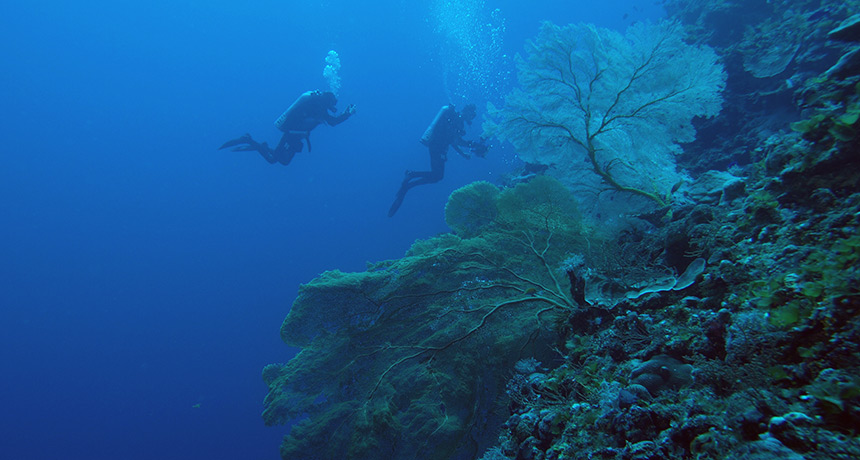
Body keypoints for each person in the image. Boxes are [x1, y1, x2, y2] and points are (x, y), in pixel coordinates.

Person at [388, 103, 488, 217]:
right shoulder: (456, 120)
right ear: (466, 111)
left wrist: (463, 153)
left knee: (438, 176)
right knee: (437, 176)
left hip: (438, 147)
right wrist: (472, 145)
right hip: (437, 147)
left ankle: (410, 179)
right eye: (472, 114)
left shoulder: (457, 120)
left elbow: (453, 140)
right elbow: (455, 141)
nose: (472, 117)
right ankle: (410, 177)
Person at [220, 90, 356, 165]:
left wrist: (345, 114)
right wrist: (347, 114)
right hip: (292, 134)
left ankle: (260, 145)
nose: (331, 108)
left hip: (295, 134)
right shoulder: (318, 107)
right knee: (276, 160)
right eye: (331, 104)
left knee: (279, 159)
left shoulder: (317, 105)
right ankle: (250, 140)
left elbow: (331, 120)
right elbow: (333, 122)